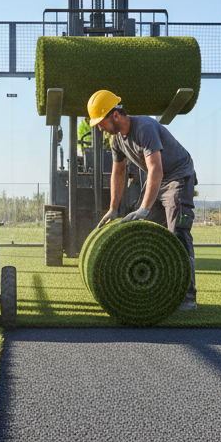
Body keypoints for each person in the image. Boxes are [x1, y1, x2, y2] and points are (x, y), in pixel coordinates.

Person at [87, 88, 198, 312]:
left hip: (177, 176)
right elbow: (117, 173)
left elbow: (155, 168)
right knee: (150, 233)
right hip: (157, 179)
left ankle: (188, 297)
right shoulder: (116, 139)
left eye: (101, 122)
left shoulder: (144, 127)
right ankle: (160, 289)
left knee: (177, 234)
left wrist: (145, 208)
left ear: (115, 115)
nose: (99, 127)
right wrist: (113, 208)